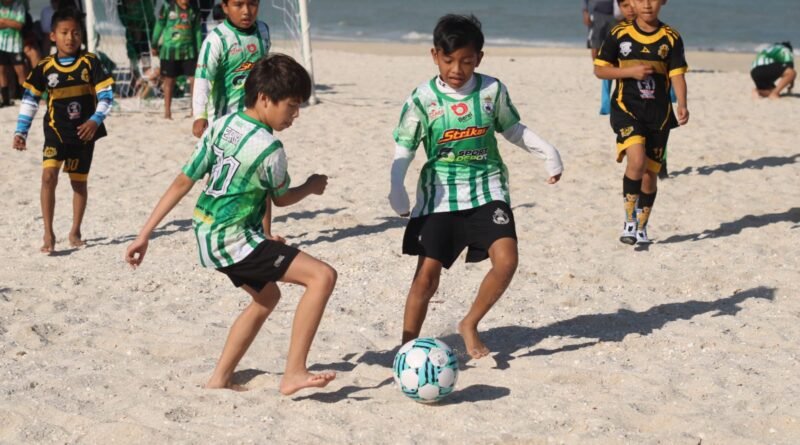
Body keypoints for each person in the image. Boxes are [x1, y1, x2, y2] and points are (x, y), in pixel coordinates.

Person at [125, 54, 337, 395]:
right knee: (322, 276)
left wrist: (144, 235)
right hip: (233, 240)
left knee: (267, 298)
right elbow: (281, 198)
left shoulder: (222, 125)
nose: (295, 116)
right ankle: (294, 372)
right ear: (265, 99)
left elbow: (184, 180)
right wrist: (311, 187)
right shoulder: (271, 149)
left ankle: (220, 378)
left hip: (207, 233)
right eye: (292, 106)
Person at [389, 14, 563, 359]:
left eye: (466, 61)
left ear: (478, 59)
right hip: (440, 195)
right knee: (426, 277)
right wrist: (397, 186)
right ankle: (406, 348)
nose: (457, 69)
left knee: (507, 260)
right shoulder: (423, 98)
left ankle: (469, 323)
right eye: (449, 60)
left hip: (488, 188)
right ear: (435, 55)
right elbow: (405, 147)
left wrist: (547, 151)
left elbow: (511, 129)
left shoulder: (491, 90)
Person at [12, 7, 114, 253]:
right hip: (55, 132)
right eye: (65, 32)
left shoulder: (90, 62)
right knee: (48, 177)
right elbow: (30, 100)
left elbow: (107, 96)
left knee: (78, 184)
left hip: (83, 134)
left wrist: (95, 120)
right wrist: (21, 131)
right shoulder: (45, 67)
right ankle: (48, 233)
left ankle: (75, 229)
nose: (71, 38)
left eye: (76, 32)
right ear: (53, 36)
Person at [593, 0, 688, 245]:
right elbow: (600, 70)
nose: (646, 4)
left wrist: (682, 104)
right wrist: (629, 72)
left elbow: (677, 73)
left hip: (659, 115)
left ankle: (642, 225)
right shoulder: (619, 33)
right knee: (636, 159)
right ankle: (628, 222)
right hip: (627, 109)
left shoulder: (672, 37)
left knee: (649, 176)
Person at [191, 0, 270, 138]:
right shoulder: (216, 39)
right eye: (238, 5)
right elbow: (203, 79)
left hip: (257, 116)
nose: (246, 11)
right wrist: (199, 115)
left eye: (252, 4)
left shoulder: (263, 31)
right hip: (224, 118)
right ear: (225, 8)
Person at [151, 0, 202, 119]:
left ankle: (194, 110)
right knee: (169, 81)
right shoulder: (167, 7)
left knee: (195, 80)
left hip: (189, 51)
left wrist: (199, 49)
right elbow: (160, 25)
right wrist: (154, 43)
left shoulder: (194, 9)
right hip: (170, 51)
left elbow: (197, 30)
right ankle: (167, 112)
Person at [0, 0, 26, 106]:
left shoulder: (19, 5)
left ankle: (25, 97)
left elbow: (19, 25)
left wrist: (3, 21)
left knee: (20, 70)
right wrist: (11, 22)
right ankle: (5, 99)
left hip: (15, 44)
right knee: (1, 70)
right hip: (1, 44)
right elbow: (14, 23)